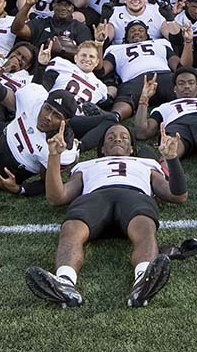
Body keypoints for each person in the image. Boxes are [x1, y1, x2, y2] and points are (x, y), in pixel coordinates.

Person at [24, 124, 187, 309]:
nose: (117, 139)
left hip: (134, 196)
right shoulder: (84, 166)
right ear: (101, 148)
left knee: (145, 226)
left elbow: (177, 195)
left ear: (132, 147)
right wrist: (54, 156)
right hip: (95, 198)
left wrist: (172, 159)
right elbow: (57, 198)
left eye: (124, 137)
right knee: (71, 228)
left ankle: (143, 280)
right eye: (110, 137)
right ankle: (65, 282)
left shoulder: (148, 164)